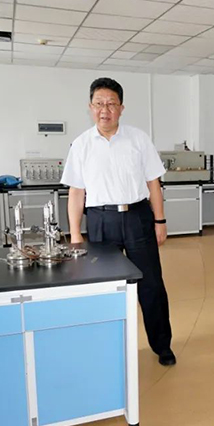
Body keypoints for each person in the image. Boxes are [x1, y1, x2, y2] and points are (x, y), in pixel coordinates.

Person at [61, 77, 176, 366]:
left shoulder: (139, 139)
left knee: (151, 285)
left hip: (138, 217)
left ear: (121, 108)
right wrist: (75, 235)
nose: (105, 109)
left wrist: (160, 221)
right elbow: (76, 193)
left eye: (111, 103)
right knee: (105, 287)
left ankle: (162, 346)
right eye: (99, 103)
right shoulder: (81, 145)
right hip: (101, 221)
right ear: (90, 107)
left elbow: (153, 184)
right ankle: (108, 347)